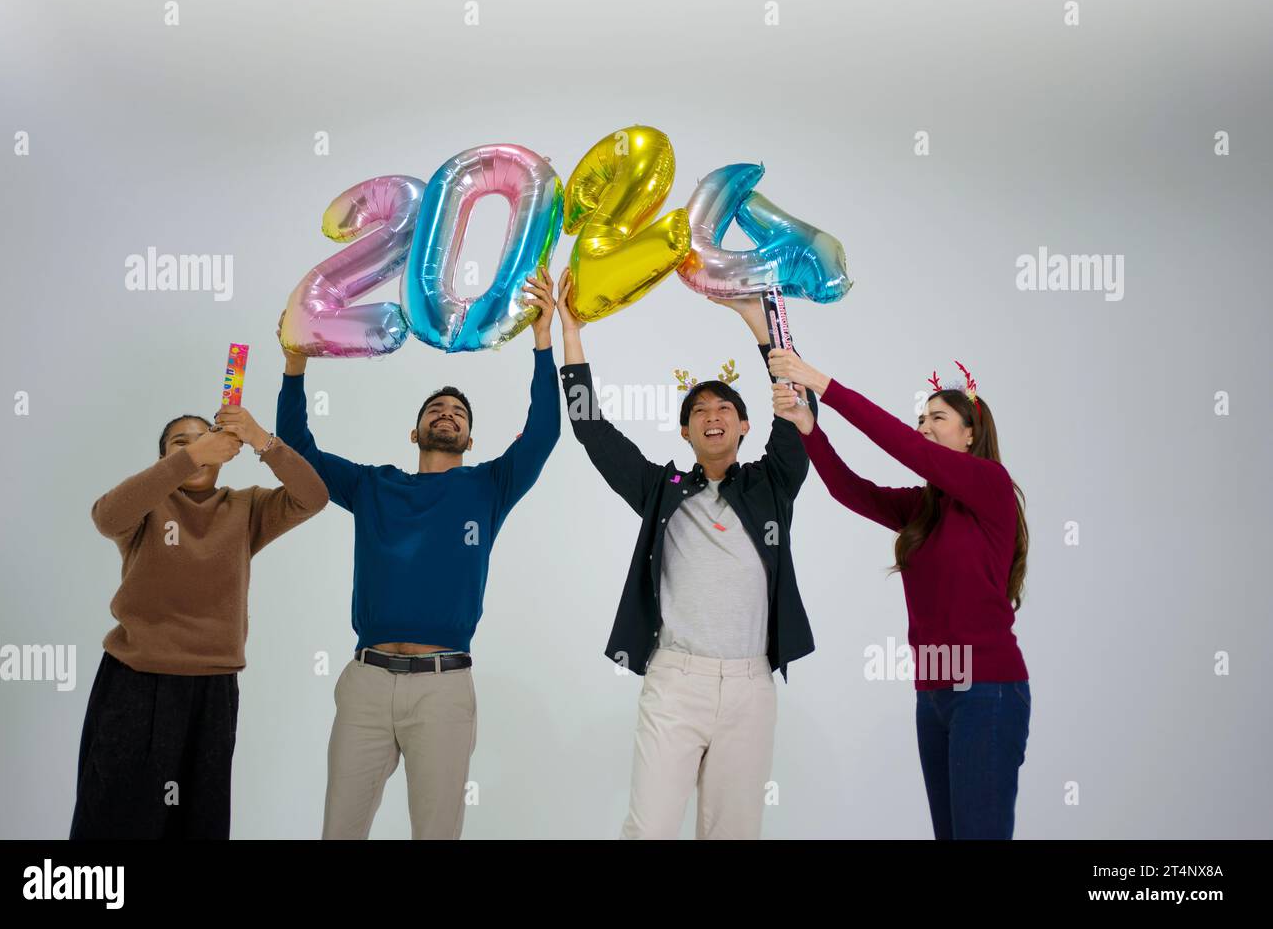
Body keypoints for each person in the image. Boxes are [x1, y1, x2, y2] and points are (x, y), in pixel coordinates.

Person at [275, 267, 561, 840]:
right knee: (339, 832)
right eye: (436, 408)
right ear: (415, 432)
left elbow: (543, 433)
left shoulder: (489, 487)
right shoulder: (374, 486)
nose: (447, 413)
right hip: (367, 683)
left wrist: (542, 339)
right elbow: (297, 452)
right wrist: (295, 361)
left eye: (459, 412)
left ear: (470, 439)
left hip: (443, 687)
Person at [556, 268, 820, 839]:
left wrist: (760, 322)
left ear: (746, 424)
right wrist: (571, 334)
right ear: (685, 433)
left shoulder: (773, 483)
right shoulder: (661, 492)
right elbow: (591, 430)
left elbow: (800, 407)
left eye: (724, 407)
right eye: (698, 411)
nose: (712, 415)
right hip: (675, 679)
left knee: (732, 832)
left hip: (751, 685)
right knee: (649, 828)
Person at [768, 349, 1030, 839]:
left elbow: (904, 448)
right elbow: (851, 491)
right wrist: (809, 428)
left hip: (987, 692)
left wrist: (821, 383)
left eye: (937, 417)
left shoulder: (990, 484)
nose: (924, 427)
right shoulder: (924, 508)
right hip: (933, 693)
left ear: (970, 432)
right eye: (920, 418)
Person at [71, 406, 330, 839]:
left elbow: (313, 497)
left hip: (212, 691)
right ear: (164, 462)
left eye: (205, 440)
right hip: (135, 683)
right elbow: (106, 517)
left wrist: (260, 439)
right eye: (181, 444)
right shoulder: (145, 508)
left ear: (225, 453)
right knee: (112, 816)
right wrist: (193, 456)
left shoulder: (245, 508)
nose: (195, 449)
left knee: (197, 821)